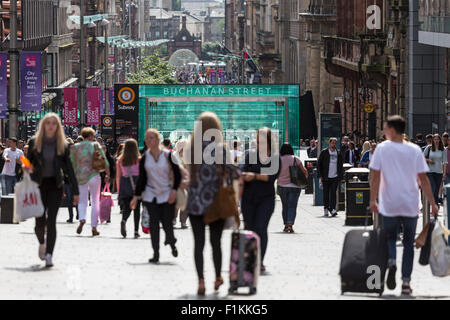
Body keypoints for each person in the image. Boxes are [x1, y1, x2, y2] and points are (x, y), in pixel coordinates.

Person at [369, 115, 439, 296]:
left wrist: (372, 200)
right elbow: (423, 180)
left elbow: (375, 177)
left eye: (385, 128)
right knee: (409, 244)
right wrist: (433, 203)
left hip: (389, 204)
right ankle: (406, 283)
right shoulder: (415, 150)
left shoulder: (382, 149)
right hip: (410, 204)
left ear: (392, 130)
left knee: (390, 238)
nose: (384, 132)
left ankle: (391, 260)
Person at [185, 112, 240, 296]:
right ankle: (217, 277)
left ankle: (200, 280)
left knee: (198, 244)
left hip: (194, 203)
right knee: (216, 243)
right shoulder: (219, 148)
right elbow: (232, 172)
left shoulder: (191, 148)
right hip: (215, 202)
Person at [24, 113, 79, 268]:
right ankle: (42, 242)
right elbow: (30, 163)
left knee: (52, 220)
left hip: (55, 186)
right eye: (47, 122)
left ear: (57, 126)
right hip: (38, 186)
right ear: (43, 125)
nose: (50, 125)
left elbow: (69, 169)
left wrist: (76, 192)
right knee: (39, 222)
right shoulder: (34, 142)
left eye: (53, 123)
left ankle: (49, 255)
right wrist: (26, 167)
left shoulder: (63, 145)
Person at [131, 129, 181, 264]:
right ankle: (156, 253)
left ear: (158, 140)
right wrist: (136, 197)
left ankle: (171, 242)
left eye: (151, 138)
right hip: (150, 195)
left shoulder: (168, 156)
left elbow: (178, 175)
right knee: (153, 225)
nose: (148, 141)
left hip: (167, 194)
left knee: (167, 224)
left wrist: (174, 191)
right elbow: (141, 179)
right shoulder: (145, 157)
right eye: (147, 138)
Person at [241, 127, 281, 273]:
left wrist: (254, 175)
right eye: (258, 141)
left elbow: (271, 177)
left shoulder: (275, 157)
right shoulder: (250, 154)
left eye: (262, 141)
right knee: (249, 229)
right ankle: (249, 259)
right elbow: (241, 172)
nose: (259, 144)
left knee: (261, 228)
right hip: (248, 199)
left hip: (266, 199)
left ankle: (260, 261)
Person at [70, 127, 110, 237]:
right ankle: (94, 227)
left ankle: (82, 218)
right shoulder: (96, 145)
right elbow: (105, 161)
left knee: (82, 200)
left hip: (81, 177)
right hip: (94, 175)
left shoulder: (75, 147)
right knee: (95, 201)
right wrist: (107, 174)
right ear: (92, 136)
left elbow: (72, 164)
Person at [277, 143, 308, 233]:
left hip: (282, 186)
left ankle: (286, 225)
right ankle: (290, 224)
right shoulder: (295, 159)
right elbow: (304, 171)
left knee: (285, 206)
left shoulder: (278, 160)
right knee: (292, 206)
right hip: (294, 186)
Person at [117, 139, 141, 239]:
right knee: (137, 208)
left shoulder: (120, 160)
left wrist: (119, 189)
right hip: (137, 183)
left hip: (125, 184)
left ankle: (124, 220)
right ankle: (136, 231)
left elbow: (118, 176)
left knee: (127, 206)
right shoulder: (139, 159)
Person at [317, 138, 344, 217]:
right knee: (326, 193)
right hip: (326, 176)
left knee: (333, 193)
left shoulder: (338, 153)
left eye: (335, 143)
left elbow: (340, 165)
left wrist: (341, 176)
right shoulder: (324, 152)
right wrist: (320, 176)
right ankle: (326, 208)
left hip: (335, 176)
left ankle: (332, 209)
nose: (334, 144)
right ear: (329, 143)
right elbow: (319, 164)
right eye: (332, 143)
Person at [424, 134, 447, 205]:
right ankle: (431, 203)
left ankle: (435, 206)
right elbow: (422, 158)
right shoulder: (429, 148)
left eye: (437, 139)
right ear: (433, 140)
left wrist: (444, 174)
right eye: (435, 139)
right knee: (433, 187)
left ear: (440, 140)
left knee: (436, 191)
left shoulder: (443, 149)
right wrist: (429, 160)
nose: (436, 141)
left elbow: (445, 162)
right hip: (430, 171)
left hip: (439, 172)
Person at [173, 139, 189, 229]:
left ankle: (183, 221)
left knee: (186, 202)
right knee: (176, 202)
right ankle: (173, 219)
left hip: (186, 182)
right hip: (176, 182)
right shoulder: (173, 156)